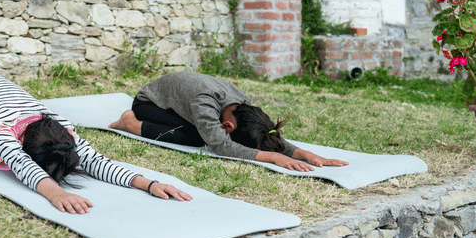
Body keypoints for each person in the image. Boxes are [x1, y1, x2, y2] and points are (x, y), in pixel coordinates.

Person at [0, 70, 192, 214]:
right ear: (21, 140)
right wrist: (56, 193)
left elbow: (95, 161)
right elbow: (20, 162)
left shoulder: (63, 128)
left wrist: (148, 184)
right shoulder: (4, 131)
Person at [109, 71, 349, 172]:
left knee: (198, 134)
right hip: (148, 103)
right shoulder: (205, 102)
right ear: (228, 127)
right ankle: (130, 123)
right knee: (196, 138)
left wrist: (302, 153)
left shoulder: (242, 103)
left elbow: (265, 132)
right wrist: (275, 157)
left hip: (177, 100)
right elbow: (220, 145)